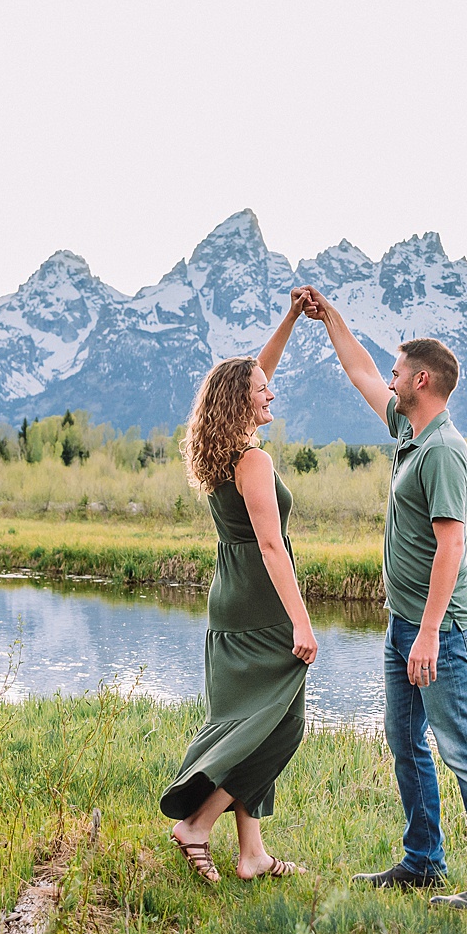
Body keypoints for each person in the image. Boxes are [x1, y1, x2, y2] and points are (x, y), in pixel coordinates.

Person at [296, 286, 467, 913]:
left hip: (438, 630)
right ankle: (423, 861)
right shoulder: (408, 428)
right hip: (405, 625)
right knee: (405, 739)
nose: (389, 379)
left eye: (399, 372)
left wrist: (425, 634)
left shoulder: (445, 449)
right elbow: (359, 369)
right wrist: (329, 318)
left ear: (422, 380)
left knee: (463, 747)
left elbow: (451, 548)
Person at [160, 291, 318, 884]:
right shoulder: (252, 462)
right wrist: (302, 622)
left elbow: (255, 370)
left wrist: (288, 322)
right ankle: (196, 822)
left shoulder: (221, 455)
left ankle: (251, 853)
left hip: (228, 602)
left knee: (250, 721)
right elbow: (273, 548)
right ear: (241, 405)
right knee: (280, 725)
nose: (270, 391)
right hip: (262, 603)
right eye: (260, 390)